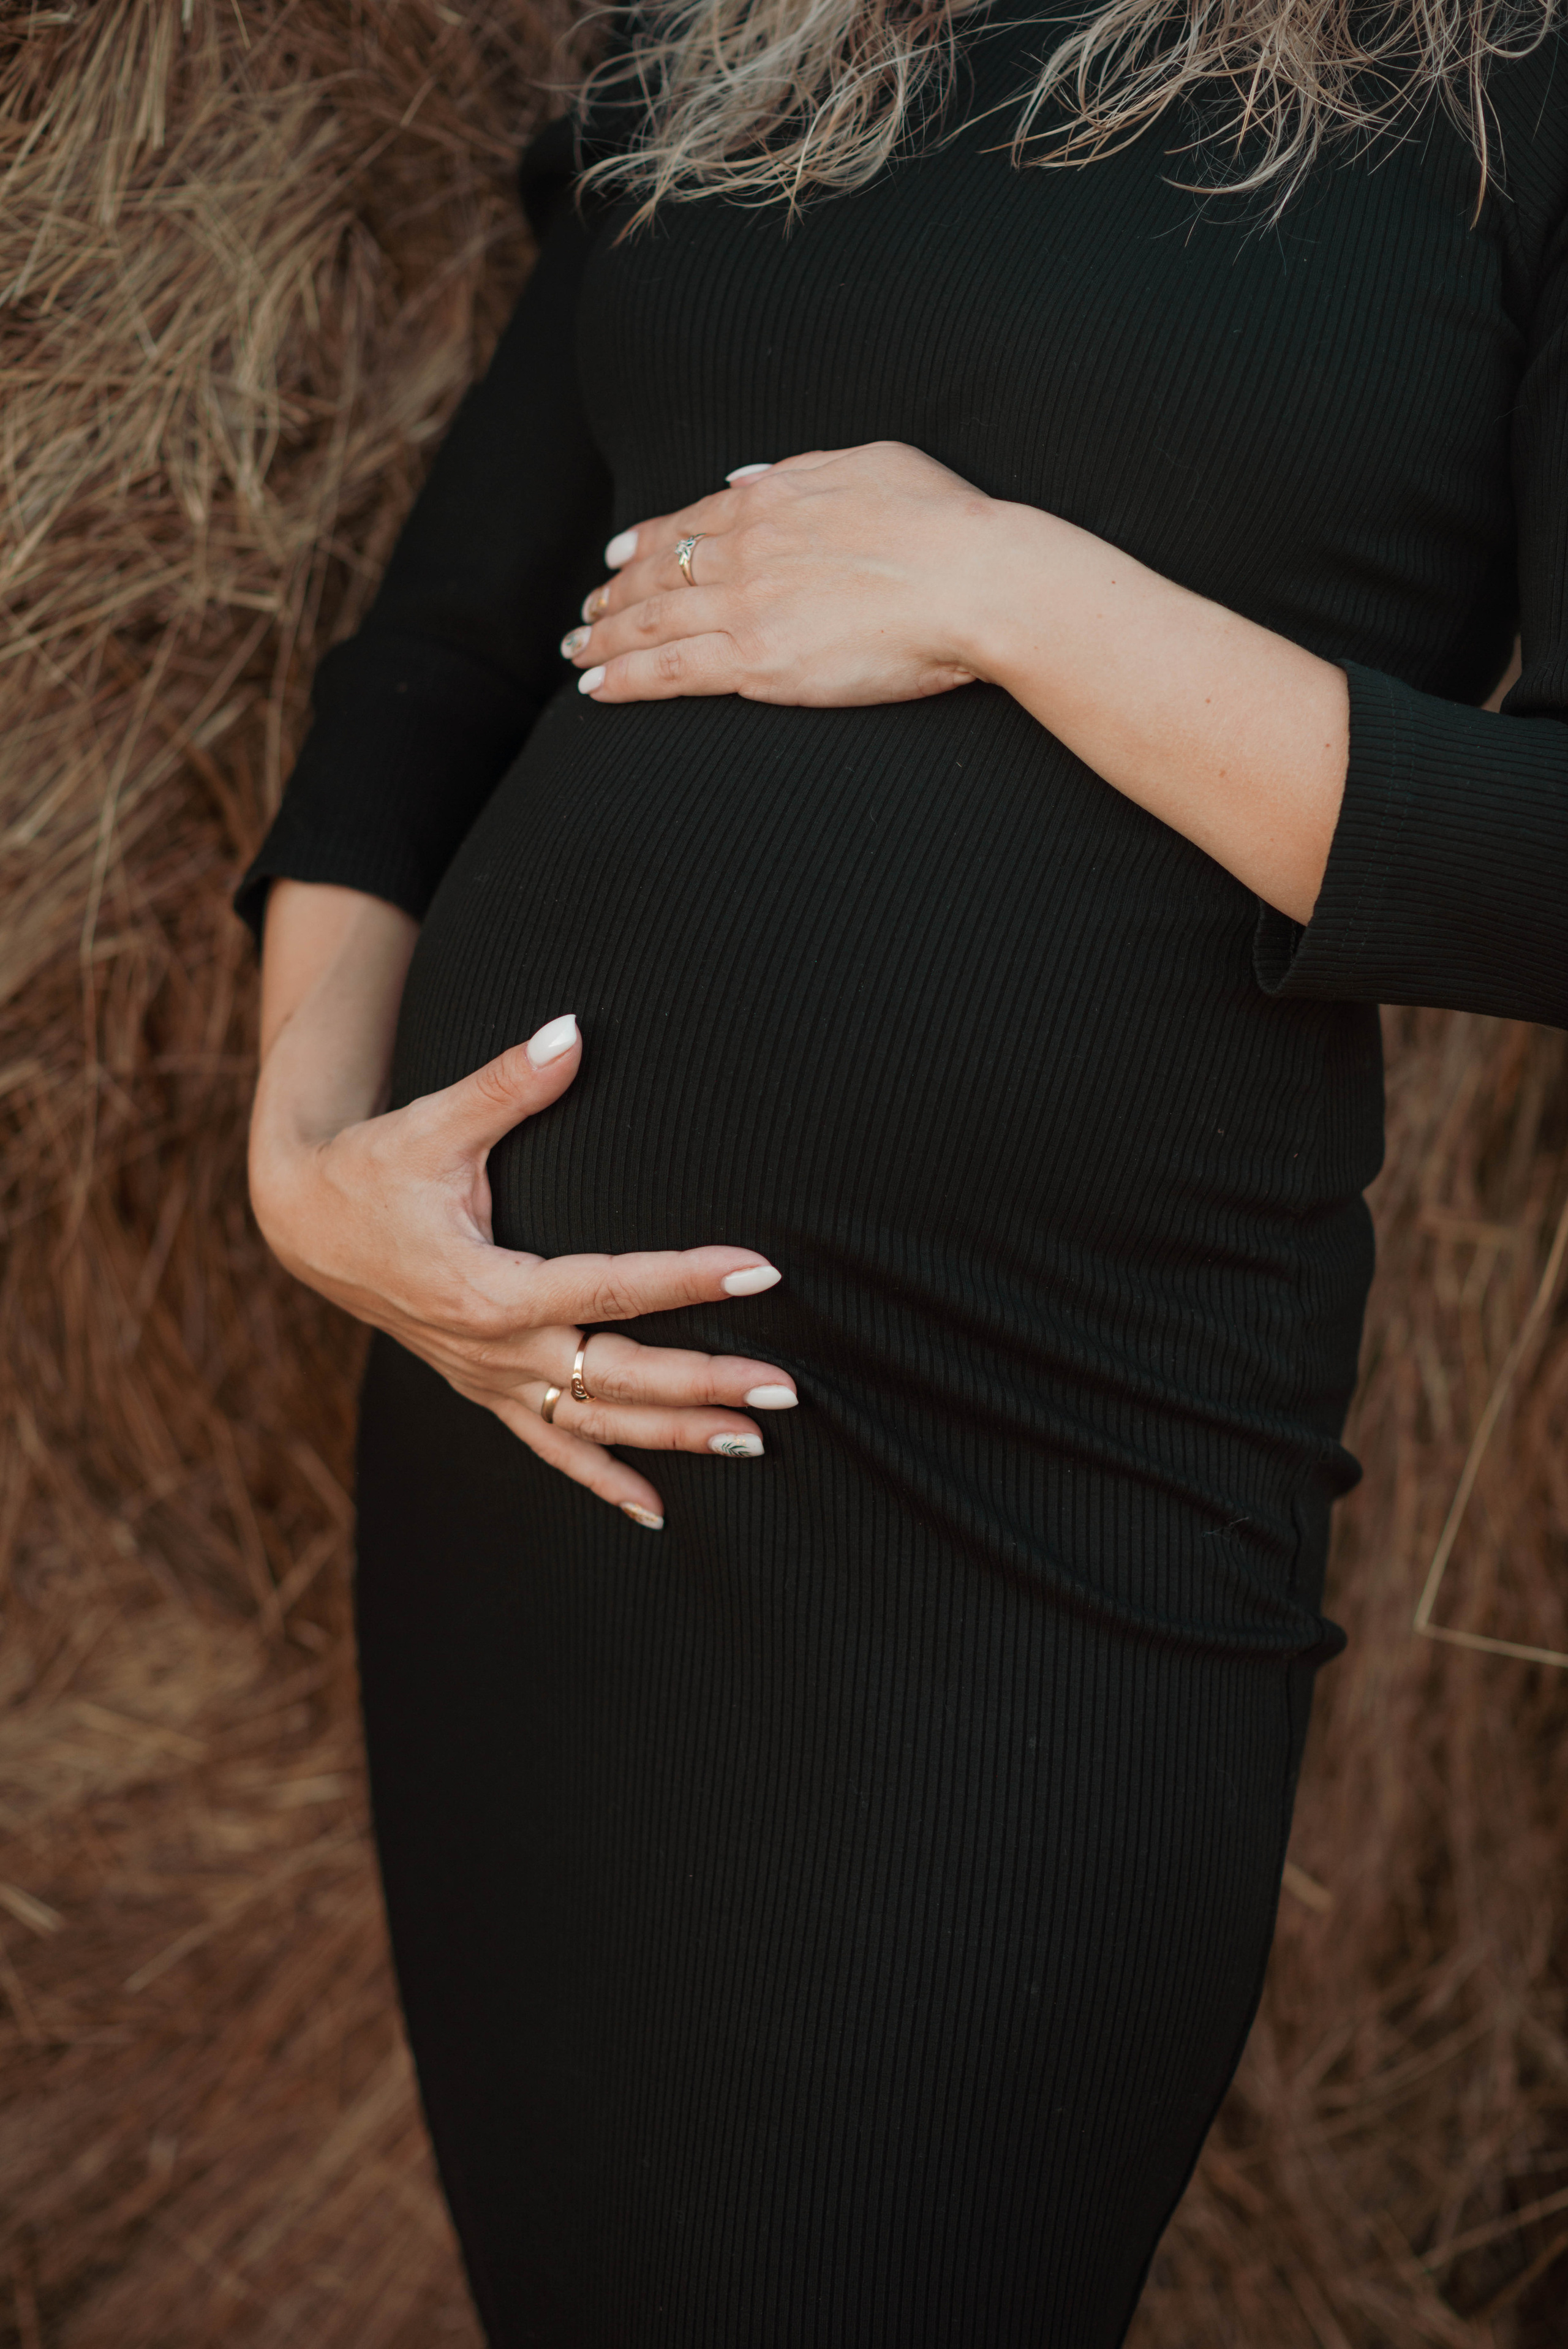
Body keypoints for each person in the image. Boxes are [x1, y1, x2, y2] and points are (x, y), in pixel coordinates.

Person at [237, 0, 1568, 2336]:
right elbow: (436, 675)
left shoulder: (1510, 82)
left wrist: (1009, 592)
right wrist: (306, 1169)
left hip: (1058, 1425)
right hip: (543, 1424)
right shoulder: (744, 56)